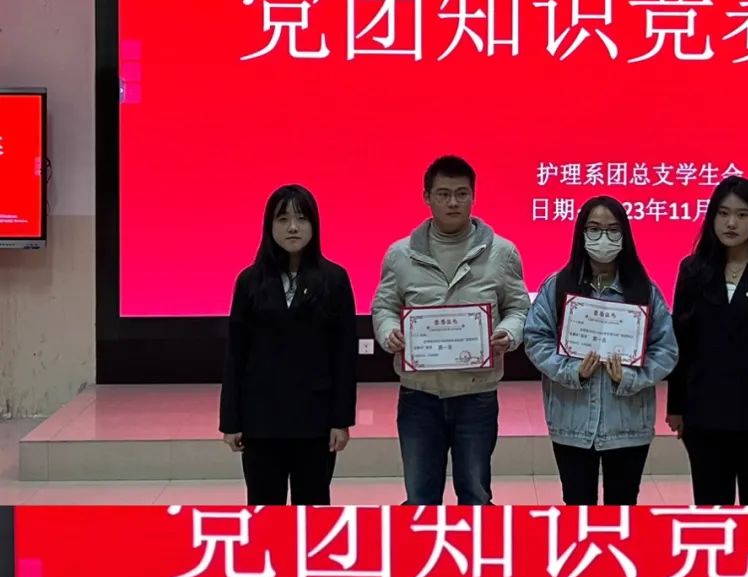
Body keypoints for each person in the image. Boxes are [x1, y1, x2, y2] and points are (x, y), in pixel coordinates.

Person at [371, 155, 530, 505]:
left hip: (477, 393)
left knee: (475, 495)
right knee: (419, 497)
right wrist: (389, 332)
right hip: (419, 394)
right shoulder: (400, 254)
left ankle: (474, 544)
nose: (453, 202)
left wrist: (508, 333)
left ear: (474, 196)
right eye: (443, 194)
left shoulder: (502, 253)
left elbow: (519, 308)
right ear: (427, 197)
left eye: (461, 193)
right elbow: (384, 307)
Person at [523, 197, 678, 504]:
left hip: (628, 424)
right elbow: (535, 339)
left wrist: (631, 377)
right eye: (594, 229)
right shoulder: (558, 286)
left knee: (622, 508)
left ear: (625, 235)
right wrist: (572, 371)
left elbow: (666, 349)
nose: (603, 238)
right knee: (577, 506)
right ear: (581, 234)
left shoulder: (644, 290)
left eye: (613, 230)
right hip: (572, 423)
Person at [666, 177, 748, 506]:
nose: (731, 223)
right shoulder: (693, 270)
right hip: (705, 411)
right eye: (723, 213)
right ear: (711, 217)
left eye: (742, 215)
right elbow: (681, 343)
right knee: (712, 509)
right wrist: (676, 406)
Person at [220, 185, 356, 506]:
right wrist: (231, 421)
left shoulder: (334, 279)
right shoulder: (249, 281)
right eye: (283, 219)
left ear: (314, 224)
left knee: (313, 511)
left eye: (301, 218)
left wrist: (341, 420)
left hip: (315, 422)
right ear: (269, 226)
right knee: (265, 512)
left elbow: (344, 356)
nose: (293, 227)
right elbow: (236, 354)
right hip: (261, 421)